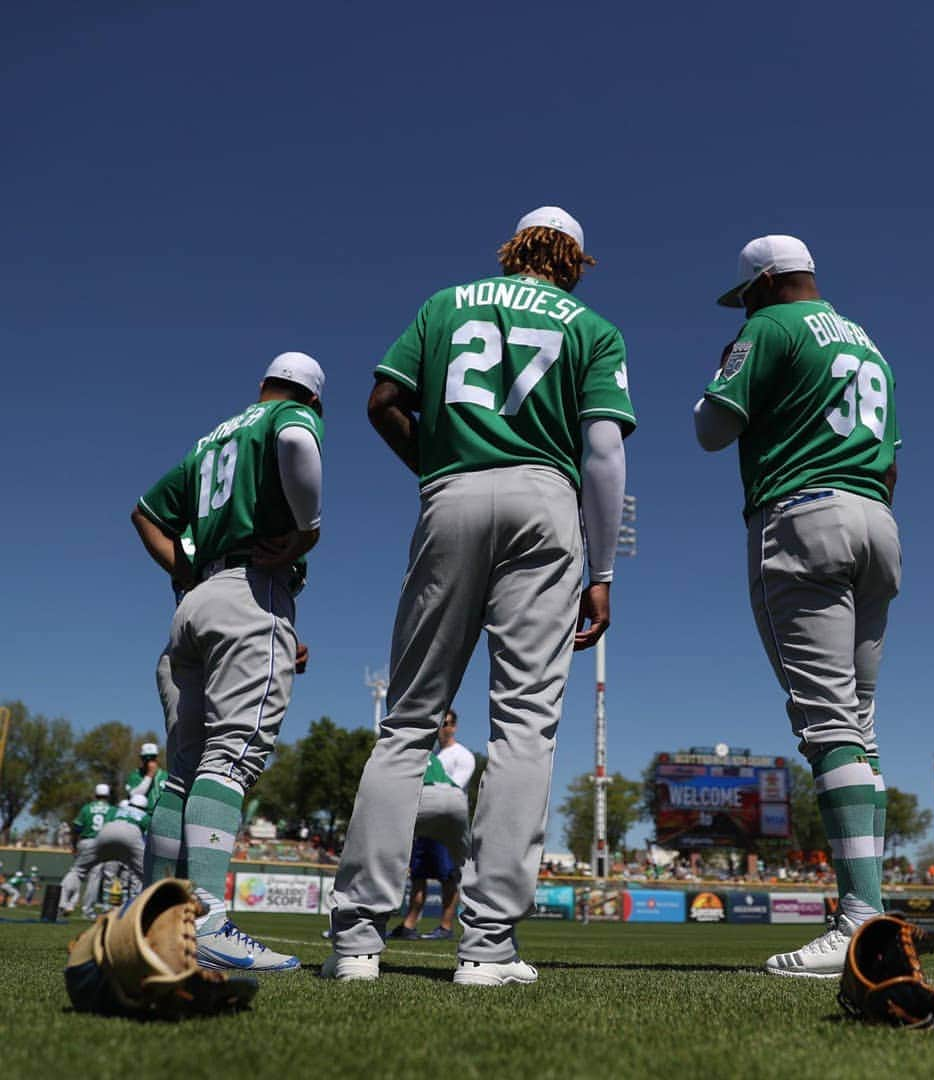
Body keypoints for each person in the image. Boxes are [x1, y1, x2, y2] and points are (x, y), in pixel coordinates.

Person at [324, 206, 635, 986]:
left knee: (407, 720)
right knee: (525, 724)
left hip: (452, 491)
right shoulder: (593, 328)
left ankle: (358, 939)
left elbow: (380, 405)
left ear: (514, 250)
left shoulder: (445, 303)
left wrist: (442, 468)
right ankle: (487, 943)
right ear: (574, 261)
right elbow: (602, 452)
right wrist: (602, 570)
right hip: (546, 499)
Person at [694, 235, 901, 978]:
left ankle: (859, 920)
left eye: (744, 292)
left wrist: (724, 370)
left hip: (803, 514)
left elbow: (712, 430)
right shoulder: (867, 340)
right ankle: (874, 905)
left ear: (763, 283)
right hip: (878, 520)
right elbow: (894, 459)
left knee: (827, 723)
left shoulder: (767, 327)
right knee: (862, 728)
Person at [132, 351, 325, 973]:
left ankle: (155, 916)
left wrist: (185, 571)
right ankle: (207, 918)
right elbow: (296, 436)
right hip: (254, 583)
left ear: (262, 383)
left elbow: (146, 513)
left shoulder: (213, 437)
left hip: (195, 600)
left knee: (183, 767)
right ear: (311, 395)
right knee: (231, 757)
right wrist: (307, 529)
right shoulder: (291, 417)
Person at [389, 709, 476, 941]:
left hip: (444, 820)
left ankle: (445, 927)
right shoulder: (435, 755)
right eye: (439, 724)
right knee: (418, 874)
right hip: (425, 816)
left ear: (454, 726)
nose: (442, 728)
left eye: (446, 724)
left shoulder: (463, 755)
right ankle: (409, 924)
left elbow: (451, 788)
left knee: (448, 875)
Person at [84, 792, 152, 908]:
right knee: (133, 880)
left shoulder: (115, 811)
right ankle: (130, 906)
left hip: (111, 846)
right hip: (131, 848)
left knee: (109, 877)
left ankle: (107, 906)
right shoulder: (144, 816)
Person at [59, 783, 113, 917]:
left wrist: (73, 845)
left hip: (85, 841)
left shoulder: (87, 808)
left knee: (77, 872)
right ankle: (87, 910)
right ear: (108, 796)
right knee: (95, 877)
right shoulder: (112, 810)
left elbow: (76, 828)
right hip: (102, 843)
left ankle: (63, 902)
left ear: (95, 795)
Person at [125, 742, 168, 812]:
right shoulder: (135, 775)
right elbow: (134, 796)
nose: (149, 762)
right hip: (143, 814)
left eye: (152, 758)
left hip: (161, 814)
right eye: (146, 759)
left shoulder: (164, 775)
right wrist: (149, 775)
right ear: (141, 759)